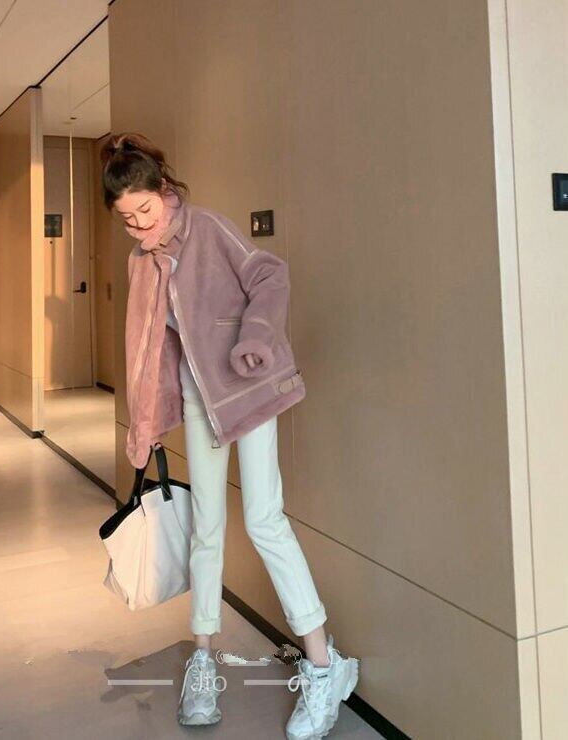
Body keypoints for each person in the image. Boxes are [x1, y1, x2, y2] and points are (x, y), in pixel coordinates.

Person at [100, 131, 359, 739]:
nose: (140, 227)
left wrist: (253, 336)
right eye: (127, 220)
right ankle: (203, 661)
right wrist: (147, 420)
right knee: (207, 528)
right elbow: (148, 349)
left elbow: (269, 275)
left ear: (165, 191)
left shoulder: (209, 229)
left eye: (146, 211)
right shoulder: (141, 262)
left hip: (250, 390)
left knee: (264, 519)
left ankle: (325, 665)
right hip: (200, 404)